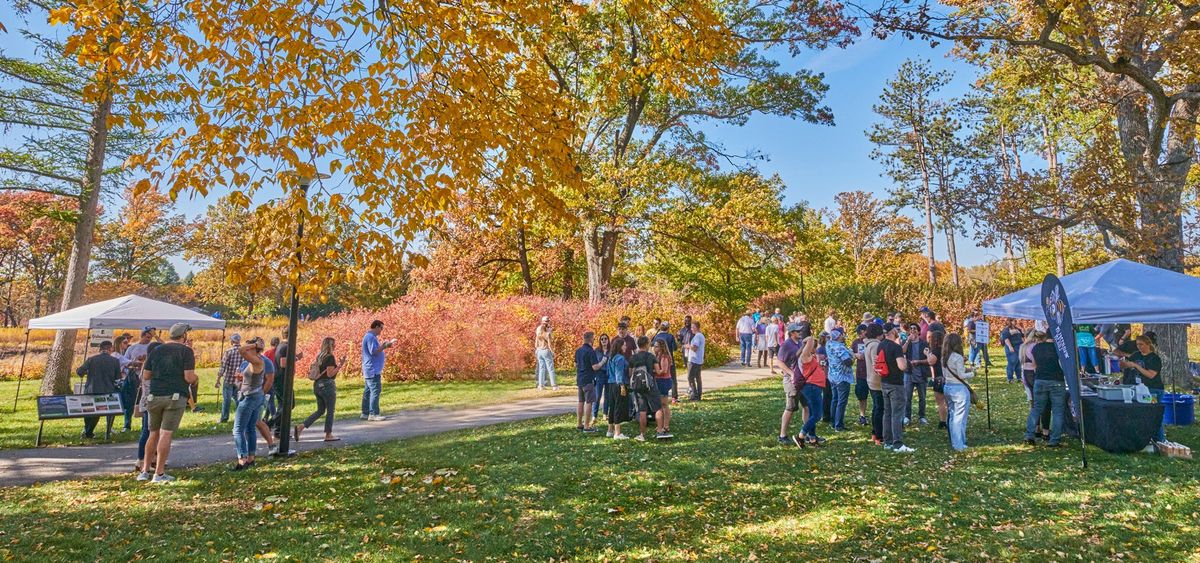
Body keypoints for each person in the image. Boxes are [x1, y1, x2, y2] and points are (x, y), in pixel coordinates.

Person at [139, 323, 197, 483]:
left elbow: (146, 375)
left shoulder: (156, 350)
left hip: (154, 395)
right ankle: (159, 473)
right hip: (175, 396)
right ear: (183, 335)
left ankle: (144, 471)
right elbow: (188, 376)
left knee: (153, 433)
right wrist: (195, 379)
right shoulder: (186, 351)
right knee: (166, 433)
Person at [232, 337, 274, 471]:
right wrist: (242, 377)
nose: (247, 348)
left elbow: (241, 350)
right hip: (255, 396)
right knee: (250, 427)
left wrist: (253, 345)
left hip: (250, 397)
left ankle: (242, 459)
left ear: (253, 349)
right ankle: (251, 458)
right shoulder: (256, 361)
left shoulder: (256, 360)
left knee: (238, 429)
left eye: (249, 347)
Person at [294, 337, 345, 443]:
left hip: (317, 385)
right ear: (330, 345)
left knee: (320, 410)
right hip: (327, 385)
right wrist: (340, 365)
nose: (335, 346)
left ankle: (301, 427)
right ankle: (328, 434)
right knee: (330, 410)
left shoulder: (319, 356)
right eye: (334, 344)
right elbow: (330, 374)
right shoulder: (330, 357)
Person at [1120, 335, 1165, 445]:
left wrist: (1136, 365)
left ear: (1148, 344)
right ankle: (1144, 437)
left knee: (1154, 414)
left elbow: (1151, 375)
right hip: (1139, 388)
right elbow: (1126, 366)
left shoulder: (1154, 358)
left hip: (1153, 389)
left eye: (1141, 344)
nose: (1139, 347)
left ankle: (1159, 439)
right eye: (1137, 345)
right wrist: (1124, 364)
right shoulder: (1136, 355)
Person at [1025, 332, 1066, 447]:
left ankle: (1029, 435)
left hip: (1040, 379)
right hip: (1056, 380)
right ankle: (1054, 440)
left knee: (1036, 408)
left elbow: (1035, 365)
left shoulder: (1036, 348)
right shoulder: (1059, 348)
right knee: (1057, 411)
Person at [76, 340, 123, 439]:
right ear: (110, 349)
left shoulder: (91, 359)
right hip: (108, 390)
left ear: (100, 349)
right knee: (110, 412)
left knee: (90, 412)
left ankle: (88, 431)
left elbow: (80, 372)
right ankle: (108, 432)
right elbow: (118, 378)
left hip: (91, 389)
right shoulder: (115, 361)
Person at [879, 323, 912, 453]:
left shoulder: (880, 345)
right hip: (896, 384)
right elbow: (902, 366)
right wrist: (905, 360)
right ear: (892, 331)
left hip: (884, 382)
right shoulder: (896, 347)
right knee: (897, 414)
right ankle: (897, 443)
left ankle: (887, 442)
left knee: (887, 413)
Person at [941, 333, 973, 451]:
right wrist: (972, 373)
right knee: (960, 418)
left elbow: (946, 374)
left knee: (953, 416)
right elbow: (961, 375)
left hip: (948, 387)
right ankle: (959, 444)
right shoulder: (958, 357)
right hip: (959, 389)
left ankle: (956, 442)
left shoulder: (944, 357)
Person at [629, 336, 665, 441]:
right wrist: (664, 370)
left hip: (638, 387)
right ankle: (660, 430)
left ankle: (642, 434)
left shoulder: (633, 358)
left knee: (642, 411)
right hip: (650, 385)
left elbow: (630, 373)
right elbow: (658, 371)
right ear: (646, 345)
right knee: (657, 408)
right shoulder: (651, 356)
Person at [776, 323, 805, 447]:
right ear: (792, 332)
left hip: (802, 380)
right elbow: (779, 362)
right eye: (797, 331)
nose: (800, 332)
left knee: (807, 406)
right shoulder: (786, 345)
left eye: (800, 331)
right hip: (791, 381)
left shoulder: (799, 343)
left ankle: (807, 433)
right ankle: (782, 435)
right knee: (790, 408)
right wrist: (791, 373)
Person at [796, 334, 828, 446]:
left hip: (815, 387)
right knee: (817, 415)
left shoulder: (811, 356)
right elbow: (809, 339)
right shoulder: (805, 356)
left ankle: (813, 438)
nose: (816, 348)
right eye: (815, 346)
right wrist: (808, 340)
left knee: (812, 414)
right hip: (812, 387)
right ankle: (801, 436)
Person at [361, 320, 395, 421]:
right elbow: (374, 352)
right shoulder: (371, 337)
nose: (381, 330)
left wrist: (385, 346)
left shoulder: (369, 337)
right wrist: (384, 346)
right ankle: (373, 414)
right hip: (372, 369)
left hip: (369, 368)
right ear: (376, 327)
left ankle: (365, 413)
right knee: (375, 390)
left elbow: (375, 350)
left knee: (368, 391)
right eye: (381, 328)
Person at [574, 332, 606, 432]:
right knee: (589, 402)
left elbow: (575, 364)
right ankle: (587, 426)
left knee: (580, 401)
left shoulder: (578, 351)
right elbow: (595, 367)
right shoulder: (591, 351)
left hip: (580, 378)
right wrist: (603, 362)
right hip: (588, 379)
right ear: (591, 339)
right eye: (593, 338)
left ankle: (579, 423)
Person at [825, 328, 854, 431]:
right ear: (838, 336)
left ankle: (833, 422)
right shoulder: (839, 347)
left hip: (832, 375)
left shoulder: (828, 344)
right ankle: (839, 425)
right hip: (842, 377)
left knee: (835, 399)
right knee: (842, 401)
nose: (843, 336)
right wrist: (853, 357)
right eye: (842, 334)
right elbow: (847, 361)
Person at [902, 322, 930, 426]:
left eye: (914, 329)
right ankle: (906, 416)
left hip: (921, 374)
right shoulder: (906, 342)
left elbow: (929, 360)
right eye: (911, 329)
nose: (912, 330)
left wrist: (918, 362)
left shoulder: (924, 344)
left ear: (918, 331)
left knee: (922, 397)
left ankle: (922, 416)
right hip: (909, 373)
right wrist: (908, 340)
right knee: (907, 397)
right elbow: (902, 352)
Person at [604, 338, 631, 440]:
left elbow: (608, 372)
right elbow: (619, 373)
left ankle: (610, 430)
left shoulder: (611, 357)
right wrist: (622, 386)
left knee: (612, 406)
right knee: (618, 407)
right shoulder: (620, 358)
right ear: (620, 346)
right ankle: (618, 433)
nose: (625, 347)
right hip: (618, 384)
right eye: (624, 345)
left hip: (610, 384)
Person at [862, 324, 885, 445]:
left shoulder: (868, 345)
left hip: (871, 379)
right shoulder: (875, 345)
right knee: (879, 408)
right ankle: (879, 435)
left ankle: (874, 432)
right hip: (877, 381)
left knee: (876, 407)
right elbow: (878, 364)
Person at [216, 333, 243, 423]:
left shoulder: (228, 352)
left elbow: (223, 367)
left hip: (228, 379)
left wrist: (218, 379)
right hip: (239, 380)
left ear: (232, 341)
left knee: (226, 400)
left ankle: (224, 418)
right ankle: (240, 417)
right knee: (238, 399)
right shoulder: (244, 351)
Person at [926, 330, 948, 430]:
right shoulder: (947, 350)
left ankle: (943, 421)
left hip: (939, 378)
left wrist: (927, 354)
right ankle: (950, 419)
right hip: (948, 377)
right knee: (948, 401)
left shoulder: (935, 351)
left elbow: (931, 361)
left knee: (940, 402)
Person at [652, 339, 673, 437]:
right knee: (661, 404)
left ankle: (666, 425)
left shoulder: (664, 357)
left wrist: (654, 371)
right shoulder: (657, 356)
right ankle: (662, 424)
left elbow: (663, 371)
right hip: (659, 381)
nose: (655, 348)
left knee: (664, 404)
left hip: (663, 381)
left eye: (656, 346)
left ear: (661, 347)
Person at [653, 322, 678, 403]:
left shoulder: (657, 336)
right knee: (672, 378)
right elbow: (675, 348)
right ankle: (674, 397)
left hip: (658, 359)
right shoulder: (670, 336)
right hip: (669, 359)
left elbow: (652, 345)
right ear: (668, 328)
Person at [851, 324, 869, 426]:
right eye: (858, 333)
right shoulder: (856, 342)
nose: (859, 334)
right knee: (862, 396)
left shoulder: (872, 341)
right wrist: (855, 355)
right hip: (861, 372)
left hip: (872, 372)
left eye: (860, 332)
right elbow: (851, 354)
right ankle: (862, 415)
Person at [683, 321, 706, 401]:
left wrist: (688, 346)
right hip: (698, 360)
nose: (691, 329)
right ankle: (698, 394)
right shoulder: (701, 335)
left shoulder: (697, 336)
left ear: (697, 327)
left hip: (694, 360)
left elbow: (695, 348)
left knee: (690, 377)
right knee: (698, 378)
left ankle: (694, 394)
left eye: (693, 327)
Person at [534, 316, 558, 390]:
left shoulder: (538, 333)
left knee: (541, 368)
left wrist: (537, 349)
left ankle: (541, 385)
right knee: (550, 368)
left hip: (539, 351)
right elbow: (550, 344)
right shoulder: (548, 334)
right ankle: (554, 386)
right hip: (546, 350)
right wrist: (553, 352)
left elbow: (535, 344)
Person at [592, 333, 611, 421]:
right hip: (599, 374)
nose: (604, 340)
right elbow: (594, 363)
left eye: (605, 339)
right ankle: (594, 415)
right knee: (597, 395)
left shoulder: (611, 351)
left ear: (608, 340)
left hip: (608, 374)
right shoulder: (597, 351)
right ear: (600, 341)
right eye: (602, 339)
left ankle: (605, 413)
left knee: (607, 395)